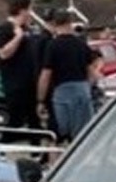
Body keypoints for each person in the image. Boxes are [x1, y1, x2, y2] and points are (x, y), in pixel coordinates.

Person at [37, 9, 94, 143]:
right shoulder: (81, 44)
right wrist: (88, 87)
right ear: (70, 23)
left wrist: (40, 100)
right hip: (82, 91)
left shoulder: (52, 46)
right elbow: (91, 71)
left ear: (55, 24)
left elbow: (45, 75)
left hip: (62, 92)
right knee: (83, 135)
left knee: (58, 135)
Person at [0, 0, 41, 137]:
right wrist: (18, 37)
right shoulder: (4, 29)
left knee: (34, 120)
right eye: (30, 9)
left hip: (30, 82)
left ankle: (37, 153)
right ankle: (2, 148)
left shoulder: (27, 29)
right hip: (15, 84)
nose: (31, 13)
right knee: (16, 121)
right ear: (22, 10)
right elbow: (3, 54)